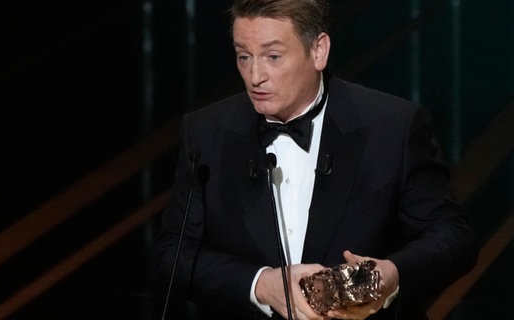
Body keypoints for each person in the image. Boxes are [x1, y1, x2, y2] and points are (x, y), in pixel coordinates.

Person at [155, 0, 478, 319]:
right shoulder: (206, 132)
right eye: (244, 56)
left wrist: (391, 275)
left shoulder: (392, 127)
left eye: (273, 56)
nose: (255, 76)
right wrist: (261, 284)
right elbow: (173, 255)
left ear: (318, 50)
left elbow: (453, 237)